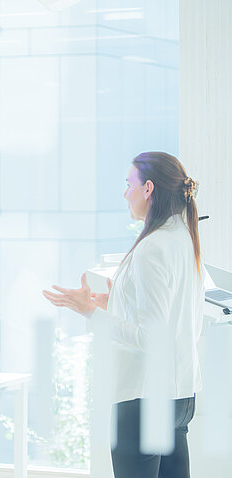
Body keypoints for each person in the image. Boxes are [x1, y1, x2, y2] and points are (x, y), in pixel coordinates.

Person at [43, 152, 203, 478]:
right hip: (179, 395)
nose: (124, 193)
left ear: (148, 189)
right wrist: (113, 300)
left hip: (145, 397)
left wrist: (89, 311)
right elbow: (172, 316)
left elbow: (151, 337)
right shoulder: (183, 239)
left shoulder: (153, 247)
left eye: (128, 184)